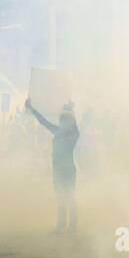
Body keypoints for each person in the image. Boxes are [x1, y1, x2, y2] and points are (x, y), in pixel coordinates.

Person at [26, 98, 80, 234]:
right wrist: (33, 110)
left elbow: (74, 125)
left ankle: (72, 227)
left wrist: (70, 109)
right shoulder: (58, 131)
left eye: (64, 120)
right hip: (58, 170)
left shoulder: (73, 134)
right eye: (62, 120)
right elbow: (43, 122)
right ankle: (62, 226)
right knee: (61, 198)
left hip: (67, 170)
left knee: (70, 197)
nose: (62, 122)